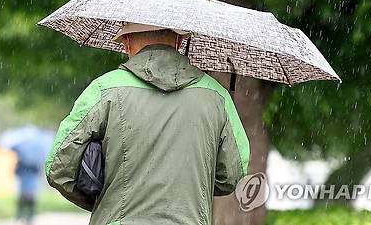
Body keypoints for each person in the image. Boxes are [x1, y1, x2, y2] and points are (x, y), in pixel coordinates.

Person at [45, 23, 250, 225]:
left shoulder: (104, 89)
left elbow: (59, 167)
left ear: (126, 42)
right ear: (179, 41)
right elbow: (231, 175)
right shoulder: (217, 96)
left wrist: (105, 202)